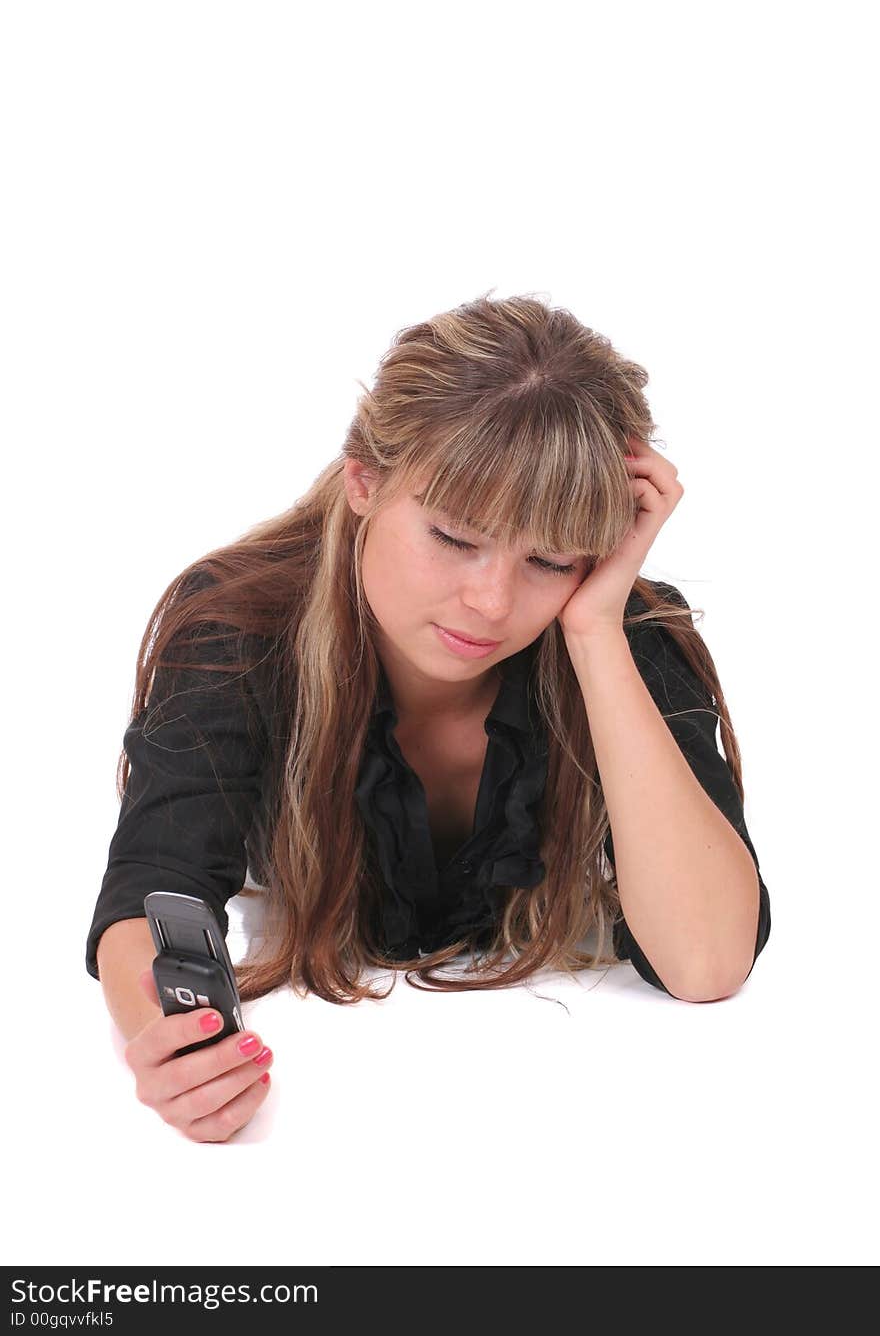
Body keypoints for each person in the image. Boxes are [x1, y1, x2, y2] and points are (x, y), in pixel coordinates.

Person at [86, 291, 771, 1141]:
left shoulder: (622, 631)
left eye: (550, 559)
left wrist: (596, 630)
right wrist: (162, 1039)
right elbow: (157, 883)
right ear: (365, 479)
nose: (490, 602)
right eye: (454, 537)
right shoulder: (240, 624)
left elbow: (706, 963)